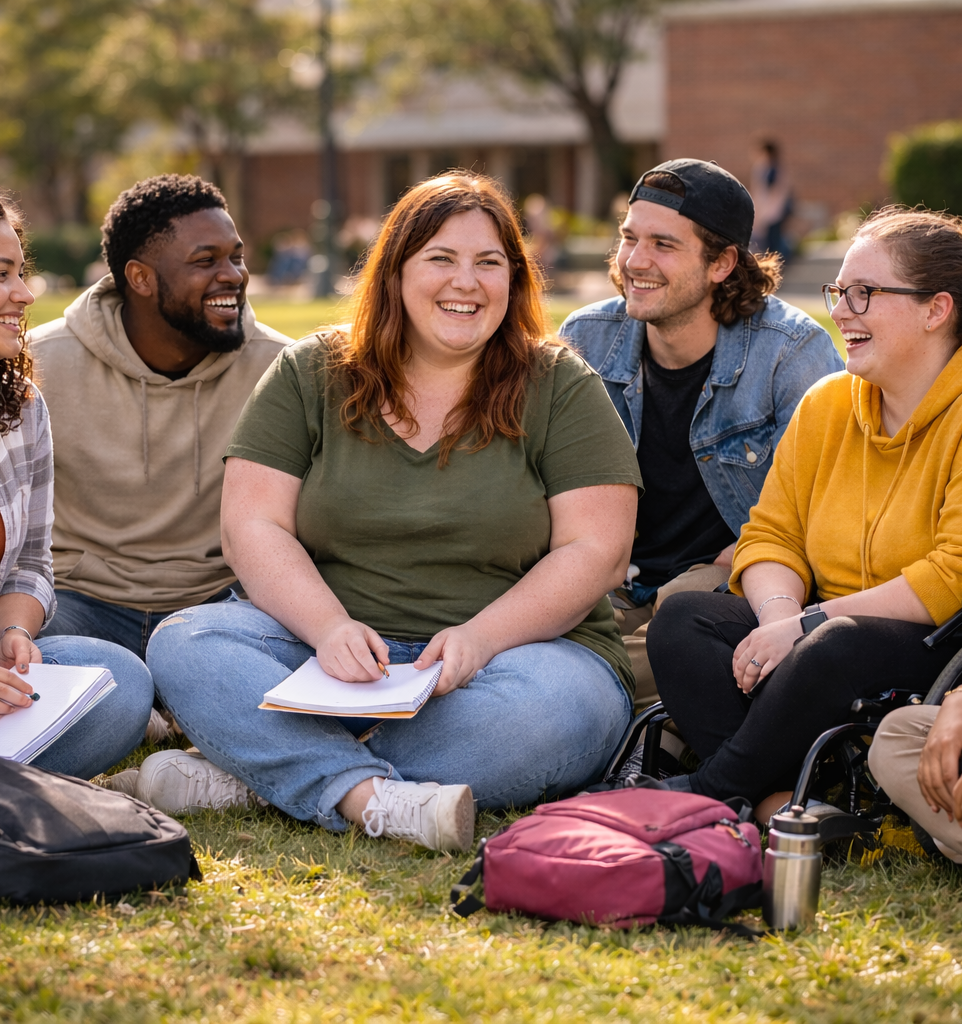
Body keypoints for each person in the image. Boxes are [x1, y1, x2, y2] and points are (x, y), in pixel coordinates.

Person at [130, 172, 641, 852]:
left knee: (552, 718)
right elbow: (252, 523)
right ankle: (369, 797)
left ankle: (261, 775)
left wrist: (482, 638)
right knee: (186, 643)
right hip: (334, 656)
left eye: (490, 263)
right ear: (394, 273)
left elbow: (596, 550)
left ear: (513, 282)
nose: (468, 282)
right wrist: (327, 626)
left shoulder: (560, 384)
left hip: (520, 658)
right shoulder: (313, 370)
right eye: (441, 259)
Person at [647, 207, 962, 824]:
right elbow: (770, 535)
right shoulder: (827, 405)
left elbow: (949, 579)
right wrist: (779, 614)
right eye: (839, 292)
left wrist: (809, 623)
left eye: (864, 294)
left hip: (927, 645)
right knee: (685, 620)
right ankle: (781, 803)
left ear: (936, 310)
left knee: (836, 643)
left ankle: (712, 792)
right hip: (813, 630)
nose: (841, 310)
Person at [559, 159, 842, 704]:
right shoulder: (586, 339)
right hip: (613, 578)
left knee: (660, 628)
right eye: (629, 238)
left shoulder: (791, 353)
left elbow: (818, 513)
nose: (635, 262)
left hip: (726, 580)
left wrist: (709, 573)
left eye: (663, 245)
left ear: (722, 263)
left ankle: (603, 703)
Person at [28, 175, 290, 661]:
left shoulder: (283, 369)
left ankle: (173, 689)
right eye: (205, 261)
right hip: (79, 602)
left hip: (219, 604)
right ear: (141, 278)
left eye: (236, 256)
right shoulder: (40, 365)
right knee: (21, 643)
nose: (233, 274)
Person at [0, 195, 153, 778]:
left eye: (19, 271)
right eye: (1, 275)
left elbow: (30, 560)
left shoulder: (22, 407)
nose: (24, 293)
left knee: (120, 684)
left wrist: (14, 631)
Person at [749, 140, 793, 262]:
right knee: (767, 240)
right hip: (767, 209)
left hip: (773, 210)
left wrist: (766, 211)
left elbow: (777, 192)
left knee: (773, 239)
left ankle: (779, 262)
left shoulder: (775, 170)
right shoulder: (762, 169)